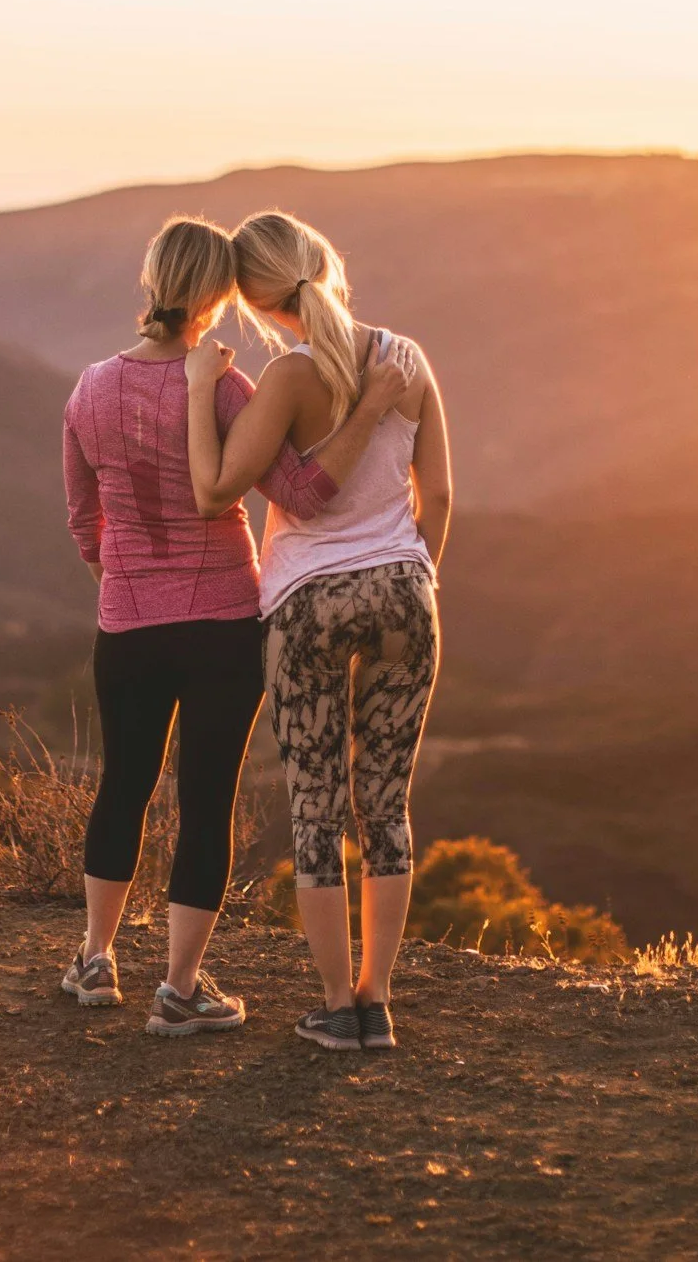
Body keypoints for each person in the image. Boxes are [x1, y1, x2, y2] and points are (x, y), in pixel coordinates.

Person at [60, 216, 412, 1035]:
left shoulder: (90, 389)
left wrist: (118, 577)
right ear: (219, 298)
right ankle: (181, 988)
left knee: (124, 784)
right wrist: (367, 413)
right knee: (205, 799)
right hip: (223, 623)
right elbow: (303, 493)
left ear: (150, 283)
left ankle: (95, 958)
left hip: (129, 623)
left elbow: (83, 514)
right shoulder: (227, 391)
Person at [183, 210, 450, 1053]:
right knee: (387, 801)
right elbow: (437, 497)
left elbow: (236, 484)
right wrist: (414, 574)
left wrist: (199, 392)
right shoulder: (406, 360)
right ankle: (380, 998)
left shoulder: (290, 381)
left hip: (307, 606)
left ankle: (339, 1004)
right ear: (326, 262)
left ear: (259, 305)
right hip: (407, 591)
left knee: (317, 805)